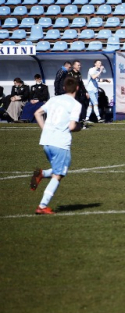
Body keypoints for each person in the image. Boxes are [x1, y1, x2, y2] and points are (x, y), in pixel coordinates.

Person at [30, 76, 83, 215]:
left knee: (57, 170)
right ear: (77, 88)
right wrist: (79, 127)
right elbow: (72, 126)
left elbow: (37, 113)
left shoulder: (54, 99)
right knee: (58, 174)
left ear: (64, 88)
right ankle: (42, 206)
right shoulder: (75, 104)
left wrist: (45, 129)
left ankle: (41, 174)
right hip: (60, 143)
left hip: (46, 141)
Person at [69, 60, 90, 126]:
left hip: (79, 93)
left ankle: (82, 120)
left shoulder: (79, 74)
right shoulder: (70, 74)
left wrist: (86, 92)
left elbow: (81, 84)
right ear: (74, 66)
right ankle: (75, 121)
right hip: (72, 94)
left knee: (82, 106)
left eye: (80, 65)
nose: (79, 66)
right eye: (78, 65)